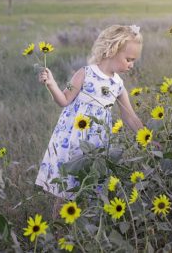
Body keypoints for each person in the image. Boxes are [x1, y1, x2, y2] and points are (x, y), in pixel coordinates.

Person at [35, 24, 145, 215]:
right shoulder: (84, 73)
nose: (131, 65)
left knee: (91, 187)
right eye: (129, 59)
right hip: (73, 141)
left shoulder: (117, 85)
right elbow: (64, 100)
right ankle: (59, 229)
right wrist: (51, 83)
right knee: (66, 189)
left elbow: (130, 116)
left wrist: (148, 138)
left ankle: (85, 229)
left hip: (97, 145)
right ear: (113, 50)